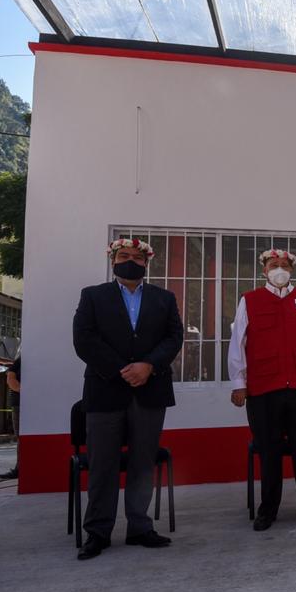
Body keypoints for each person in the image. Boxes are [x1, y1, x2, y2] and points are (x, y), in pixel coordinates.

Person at [72, 237, 183, 560]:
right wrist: (122, 370)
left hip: (151, 389)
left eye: (137, 257)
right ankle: (98, 531)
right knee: (102, 464)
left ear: (146, 263)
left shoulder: (164, 298)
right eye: (124, 255)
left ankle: (139, 527)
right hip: (106, 389)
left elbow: (174, 337)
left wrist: (148, 366)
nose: (130, 261)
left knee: (142, 463)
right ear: (113, 260)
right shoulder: (93, 296)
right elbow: (83, 339)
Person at [228, 248, 296, 532]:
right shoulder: (250, 300)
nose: (280, 269)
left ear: (292, 270)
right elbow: (238, 343)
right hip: (264, 388)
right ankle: (268, 510)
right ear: (264, 270)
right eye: (274, 264)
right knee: (269, 453)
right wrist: (239, 383)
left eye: (285, 265)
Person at [0, 355, 21, 480]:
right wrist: (26, 390)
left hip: (37, 403)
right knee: (21, 437)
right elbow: (10, 379)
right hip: (19, 404)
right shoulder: (21, 360)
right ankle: (19, 469)